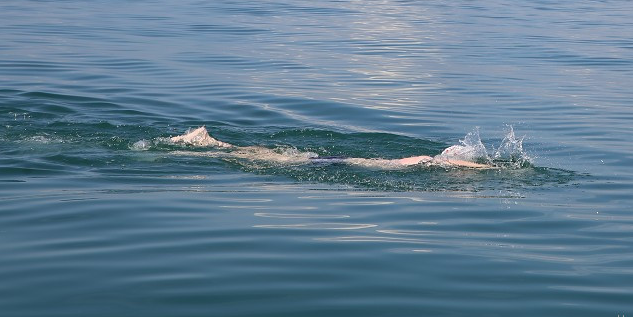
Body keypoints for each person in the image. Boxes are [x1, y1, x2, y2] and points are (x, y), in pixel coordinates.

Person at [166, 126, 494, 169]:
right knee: (279, 159)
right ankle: (211, 144)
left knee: (279, 157)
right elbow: (453, 165)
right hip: (342, 162)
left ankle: (211, 142)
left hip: (341, 160)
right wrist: (486, 169)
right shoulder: (426, 161)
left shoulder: (425, 161)